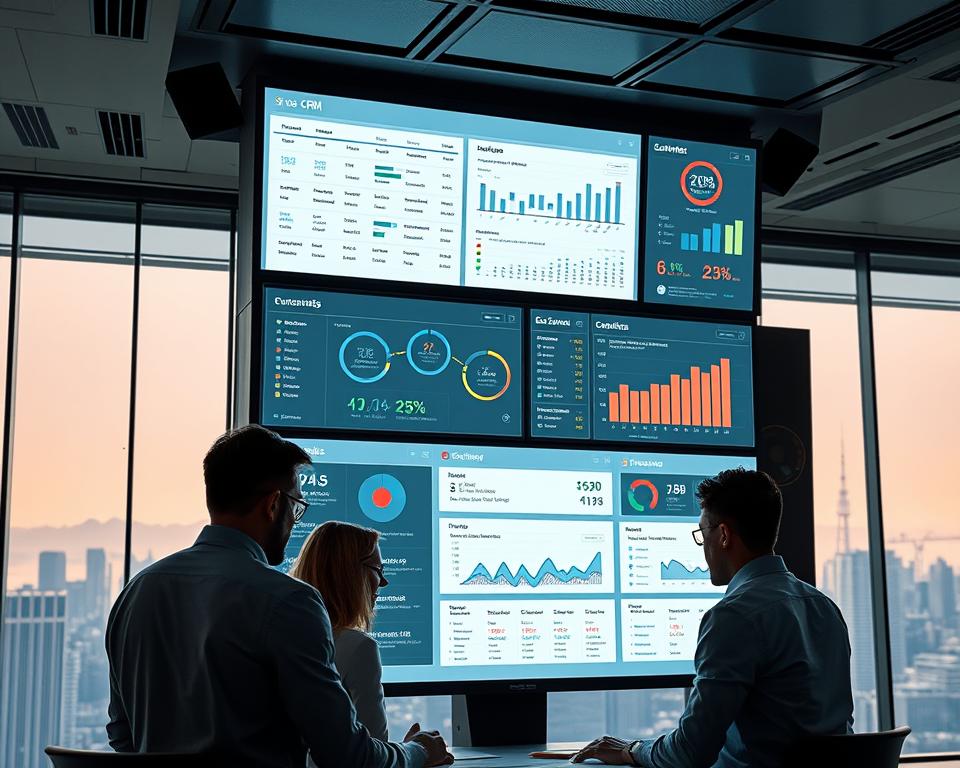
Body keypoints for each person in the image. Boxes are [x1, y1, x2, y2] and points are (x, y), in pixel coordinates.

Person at [105, 425, 453, 768]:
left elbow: (123, 736)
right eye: (296, 505)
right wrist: (418, 751)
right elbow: (349, 757)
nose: (294, 520)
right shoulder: (288, 601)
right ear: (273, 504)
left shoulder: (137, 592)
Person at [573, 468, 853, 768]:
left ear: (722, 535)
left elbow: (689, 753)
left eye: (702, 533)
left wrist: (633, 750)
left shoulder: (734, 617)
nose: (702, 547)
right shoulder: (825, 607)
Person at [291, 521, 391, 740]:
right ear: (351, 574)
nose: (383, 582)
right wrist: (417, 750)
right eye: (378, 570)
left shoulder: (286, 637)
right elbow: (373, 753)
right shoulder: (358, 648)